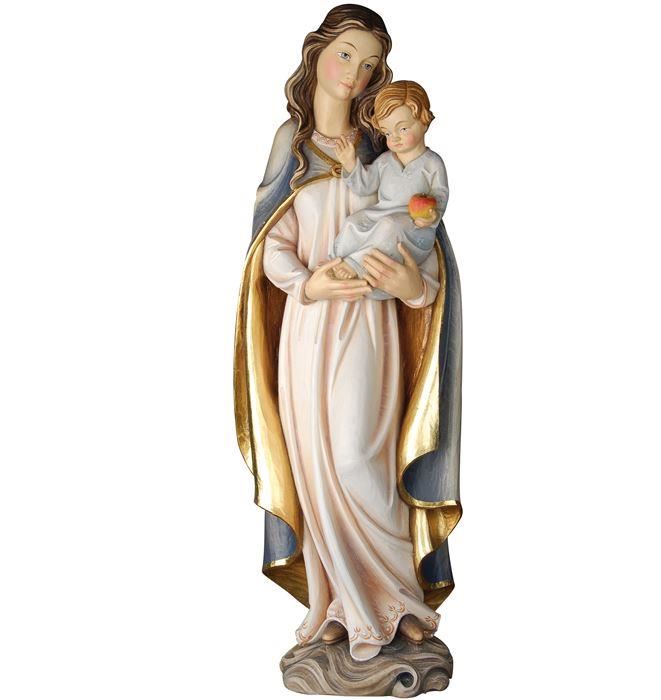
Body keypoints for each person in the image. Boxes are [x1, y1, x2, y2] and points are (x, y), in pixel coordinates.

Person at [234, 5, 463, 663]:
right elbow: (271, 244)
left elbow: (425, 238)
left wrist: (411, 287)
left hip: (370, 325)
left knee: (361, 460)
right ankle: (339, 602)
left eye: (369, 64)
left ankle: (398, 599)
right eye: (345, 55)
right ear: (317, 53)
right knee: (315, 466)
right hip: (307, 328)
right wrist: (307, 284)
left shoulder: (384, 147)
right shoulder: (291, 145)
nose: (355, 74)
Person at [330, 81, 449, 302]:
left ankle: (357, 266)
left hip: (413, 227)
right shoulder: (385, 161)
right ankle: (338, 260)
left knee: (389, 227)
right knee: (355, 222)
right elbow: (365, 185)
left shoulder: (432, 163)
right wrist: (350, 164)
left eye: (402, 129)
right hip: (382, 213)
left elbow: (440, 194)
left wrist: (431, 216)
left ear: (424, 121)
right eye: (387, 132)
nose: (394, 138)